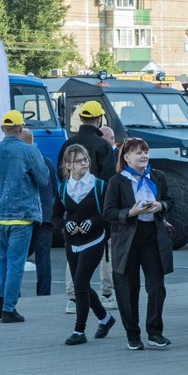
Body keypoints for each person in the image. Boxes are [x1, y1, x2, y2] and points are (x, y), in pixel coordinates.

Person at [0, 110, 50, 323]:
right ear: (20, 128)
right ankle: (9, 308)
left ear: (2, 129)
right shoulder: (28, 151)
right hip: (22, 216)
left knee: (3, 258)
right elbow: (44, 179)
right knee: (16, 263)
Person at [103, 137, 174, 350]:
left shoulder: (158, 176)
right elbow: (108, 212)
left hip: (152, 236)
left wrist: (160, 205)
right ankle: (132, 334)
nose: (143, 156)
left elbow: (171, 201)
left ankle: (155, 332)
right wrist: (131, 212)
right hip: (127, 240)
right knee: (127, 289)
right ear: (126, 157)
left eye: (145, 151)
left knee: (156, 287)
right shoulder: (117, 181)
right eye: (137, 152)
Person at [53, 144, 117, 345]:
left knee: (80, 283)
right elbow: (55, 216)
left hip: (95, 240)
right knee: (82, 284)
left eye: (86, 159)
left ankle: (79, 330)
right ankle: (105, 319)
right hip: (72, 242)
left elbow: (108, 213)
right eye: (79, 161)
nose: (84, 163)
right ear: (68, 164)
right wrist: (66, 224)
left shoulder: (99, 186)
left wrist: (93, 222)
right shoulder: (63, 188)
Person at [58, 101, 116, 313]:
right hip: (98, 208)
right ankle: (107, 294)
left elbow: (60, 174)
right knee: (104, 249)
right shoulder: (103, 146)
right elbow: (110, 179)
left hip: (73, 205)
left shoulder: (69, 144)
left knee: (73, 248)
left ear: (81, 119)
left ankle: (73, 297)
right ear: (99, 119)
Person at [20, 128, 56, 297]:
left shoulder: (20, 161)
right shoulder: (46, 161)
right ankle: (44, 294)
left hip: (25, 215)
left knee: (18, 256)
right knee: (43, 258)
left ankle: (14, 292)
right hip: (46, 215)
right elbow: (54, 189)